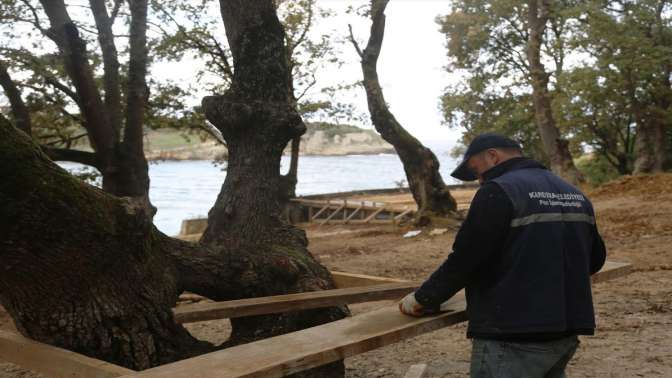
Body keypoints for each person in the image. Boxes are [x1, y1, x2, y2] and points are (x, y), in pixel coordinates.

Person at [398, 133, 607, 378]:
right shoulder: (573, 193)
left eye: (477, 172)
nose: (479, 180)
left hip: (514, 334)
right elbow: (595, 259)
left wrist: (423, 299)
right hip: (567, 329)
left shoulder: (498, 191)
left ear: (493, 156)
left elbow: (465, 260)